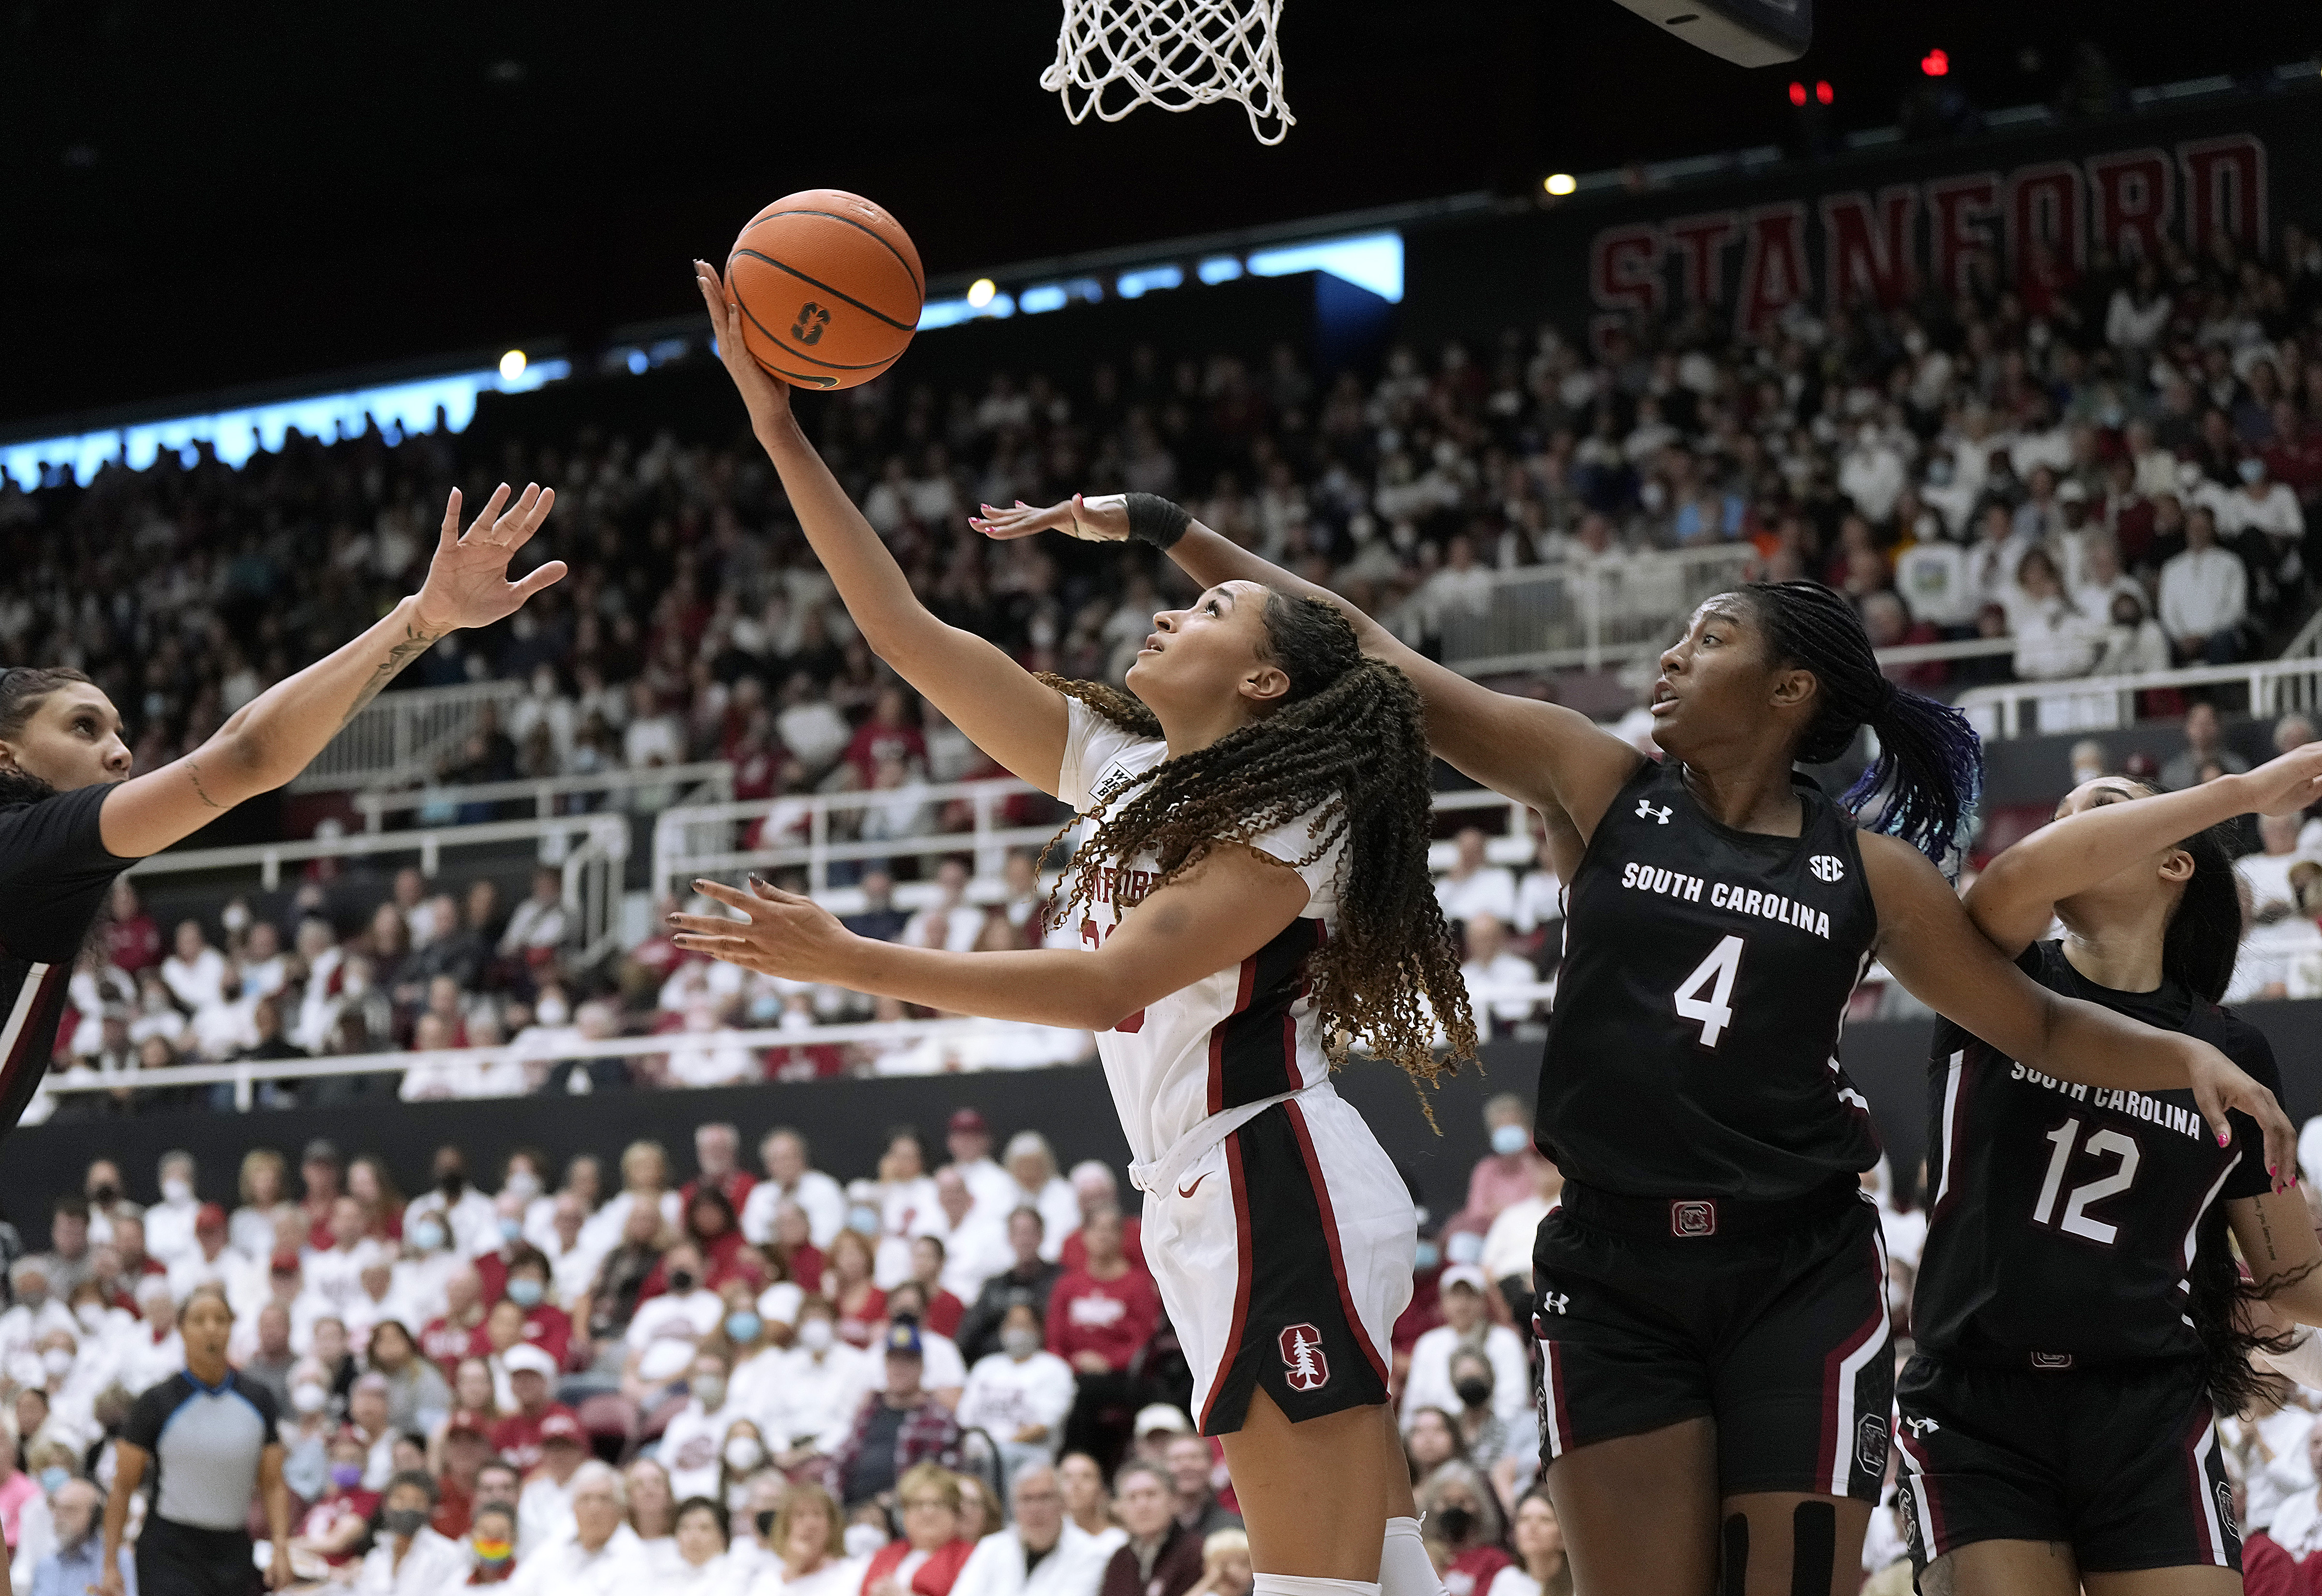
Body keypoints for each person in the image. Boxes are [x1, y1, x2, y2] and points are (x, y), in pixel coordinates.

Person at [974, 497, 2297, 1594]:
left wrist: (2185, 1055)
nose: (1669, 656)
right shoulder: (1596, 778)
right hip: (1612, 1269)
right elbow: (1368, 652)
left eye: (1706, 636)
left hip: (1797, 1265)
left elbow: (2038, 1020)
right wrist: (1175, 531)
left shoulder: (1870, 870)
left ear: (1789, 689)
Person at [686, 267, 1478, 1596]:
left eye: (1215, 609)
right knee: (1379, 1574)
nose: (1173, 607)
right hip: (1206, 1184)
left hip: (1269, 1171)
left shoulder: (1295, 814)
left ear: (1269, 680)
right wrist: (779, 428)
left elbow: (1111, 982)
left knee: (1317, 1584)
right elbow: (901, 631)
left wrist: (854, 961)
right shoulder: (1121, 770)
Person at [0, 486, 558, 1151]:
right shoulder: (27, 849)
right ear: (6, 756)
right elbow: (246, 756)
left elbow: (236, 746)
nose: (120, 753)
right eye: (84, 728)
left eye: (119, 730)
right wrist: (422, 619)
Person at [1895, 741, 2322, 1593]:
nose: (2066, 832)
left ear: (2173, 859)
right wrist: (2238, 792)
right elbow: (2015, 880)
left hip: (2149, 1403)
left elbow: (2291, 1274)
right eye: (2058, 820)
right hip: (1978, 1401)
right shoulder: (2000, 975)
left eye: (2098, 811)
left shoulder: (2234, 1048)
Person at [100, 1283, 291, 1595]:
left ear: (232, 1328)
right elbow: (123, 1487)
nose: (211, 1329)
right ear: (181, 1330)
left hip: (234, 1550)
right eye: (199, 1321)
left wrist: (281, 1551)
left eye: (220, 1319)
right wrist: (110, 1565)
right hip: (169, 1552)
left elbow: (273, 1485)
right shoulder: (155, 1403)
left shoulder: (259, 1399)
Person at [831, 1323, 961, 1512]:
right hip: (848, 1507)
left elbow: (938, 1480)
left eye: (908, 1361)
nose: (900, 1368)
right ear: (885, 1364)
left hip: (900, 1513)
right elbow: (841, 1459)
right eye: (894, 1360)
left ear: (922, 1367)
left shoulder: (939, 1419)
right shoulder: (869, 1410)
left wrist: (888, 1504)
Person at [953, 1461, 1115, 1596]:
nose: (1035, 1509)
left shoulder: (1091, 1554)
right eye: (1026, 1499)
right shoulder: (991, 1547)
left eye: (1045, 1498)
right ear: (1013, 1507)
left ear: (1063, 1503)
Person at [960, 1302, 1077, 1485]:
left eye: (1023, 1325)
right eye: (1012, 1324)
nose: (1016, 1331)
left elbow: (1042, 1427)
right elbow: (965, 1419)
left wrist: (995, 1449)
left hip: (1027, 1455)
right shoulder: (986, 1366)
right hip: (978, 1454)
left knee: (1003, 1457)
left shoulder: (1054, 1369)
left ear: (1038, 1329)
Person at [508, 1461, 651, 1594]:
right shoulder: (558, 1543)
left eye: (604, 1499)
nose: (594, 1508)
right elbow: (517, 1588)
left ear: (621, 1510)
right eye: (585, 1499)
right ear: (573, 1508)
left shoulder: (634, 1557)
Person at [861, 1462, 977, 1596]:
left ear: (955, 1512)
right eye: (918, 1504)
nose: (928, 1512)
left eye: (938, 1503)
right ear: (904, 1514)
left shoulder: (971, 1557)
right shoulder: (884, 1555)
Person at [354, 1468, 469, 1594]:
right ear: (386, 1506)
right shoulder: (376, 1557)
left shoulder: (447, 1554)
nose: (408, 1507)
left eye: (418, 1501)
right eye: (400, 1499)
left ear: (430, 1507)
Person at [1098, 1461, 1203, 1596]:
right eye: (1132, 1497)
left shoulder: (1196, 1553)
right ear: (1120, 1509)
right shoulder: (1119, 1561)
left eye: (1151, 1494)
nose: (1142, 1506)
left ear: (1174, 1500)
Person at [747, 1480, 863, 1596]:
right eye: (800, 1515)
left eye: (817, 1514)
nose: (810, 1524)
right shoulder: (768, 1581)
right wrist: (794, 1569)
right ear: (786, 1526)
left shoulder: (855, 1574)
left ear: (832, 1524)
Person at [1486, 1490, 1571, 1596]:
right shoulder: (1507, 1579)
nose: (1533, 1527)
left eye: (1545, 1520)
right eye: (1524, 1519)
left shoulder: (1580, 1584)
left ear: (1563, 1537)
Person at [663, 1497, 743, 1593]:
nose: (693, 1537)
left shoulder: (737, 1578)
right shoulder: (667, 1578)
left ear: (724, 1537)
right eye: (686, 1528)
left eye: (704, 1528)